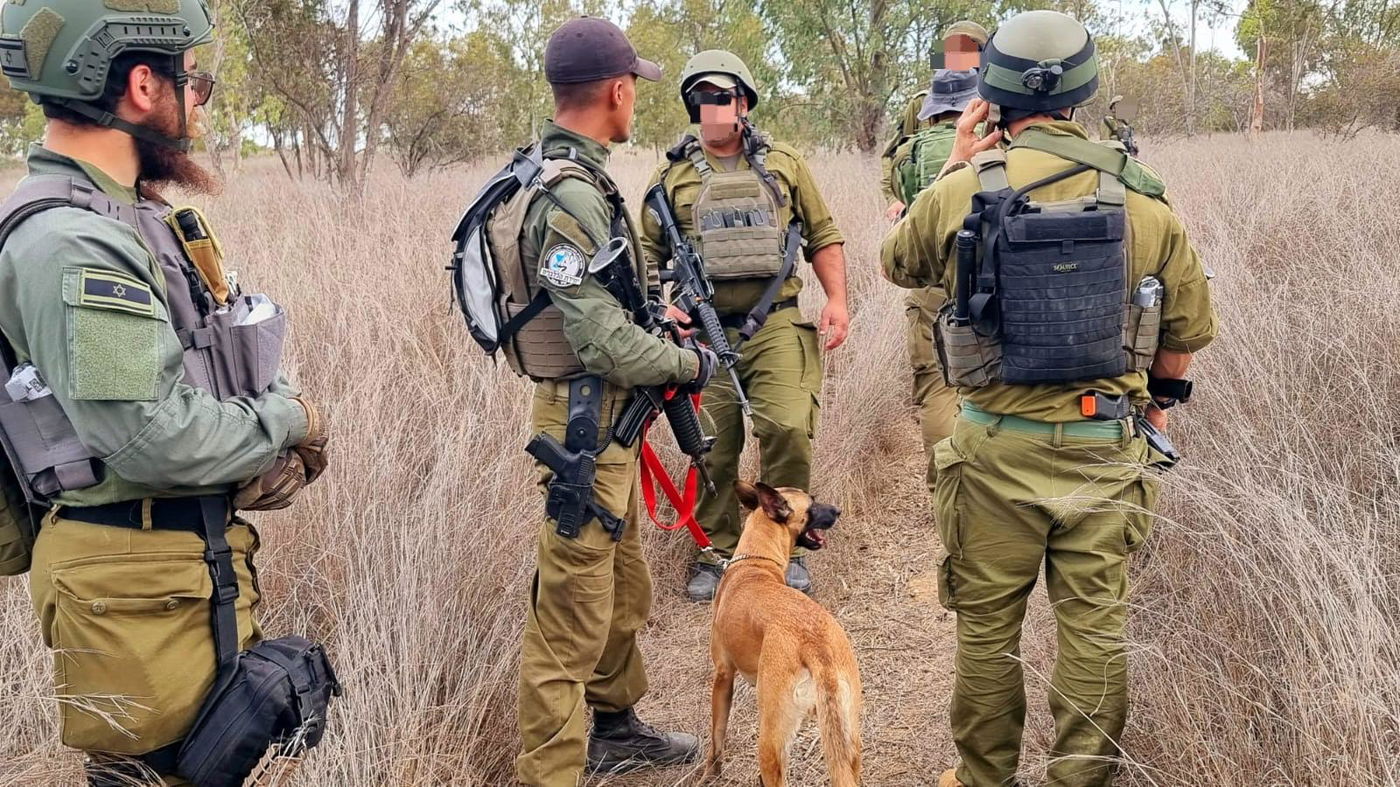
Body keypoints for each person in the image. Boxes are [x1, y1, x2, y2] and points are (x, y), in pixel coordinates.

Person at [880, 10, 1217, 786]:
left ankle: (984, 776)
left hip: (993, 446)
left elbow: (898, 263)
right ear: (1083, 94)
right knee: (1095, 630)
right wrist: (1154, 409)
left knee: (988, 634)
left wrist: (953, 162)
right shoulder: (1145, 202)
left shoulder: (963, 189)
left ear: (991, 92)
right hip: (1106, 450)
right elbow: (1183, 333)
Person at [0, 0, 329, 784]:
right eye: (196, 82)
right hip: (132, 591)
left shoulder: (127, 218)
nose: (200, 104)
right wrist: (289, 418)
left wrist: (255, 450)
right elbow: (148, 437)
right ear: (144, 86)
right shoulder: (73, 243)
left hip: (171, 573)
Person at [508, 17, 712, 786]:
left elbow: (603, 310)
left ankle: (616, 728)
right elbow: (598, 343)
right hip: (582, 429)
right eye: (637, 88)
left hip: (607, 424)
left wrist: (657, 323)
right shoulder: (564, 194)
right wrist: (685, 362)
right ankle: (552, 771)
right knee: (568, 617)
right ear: (618, 91)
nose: (638, 102)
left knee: (624, 587)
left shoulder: (578, 176)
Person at [640, 50, 848, 602]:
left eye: (722, 97)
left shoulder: (784, 164)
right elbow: (644, 251)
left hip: (776, 321)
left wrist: (837, 300)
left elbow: (823, 234)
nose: (712, 108)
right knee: (710, 446)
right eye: (701, 98)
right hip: (704, 335)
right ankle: (717, 552)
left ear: (744, 102)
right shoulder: (671, 178)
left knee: (786, 426)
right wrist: (665, 307)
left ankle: (792, 546)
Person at [879, 21, 987, 491]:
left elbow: (894, 164)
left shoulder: (923, 117)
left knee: (935, 380)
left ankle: (947, 484)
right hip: (989, 261)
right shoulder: (1001, 105)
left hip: (927, 257)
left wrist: (905, 210)